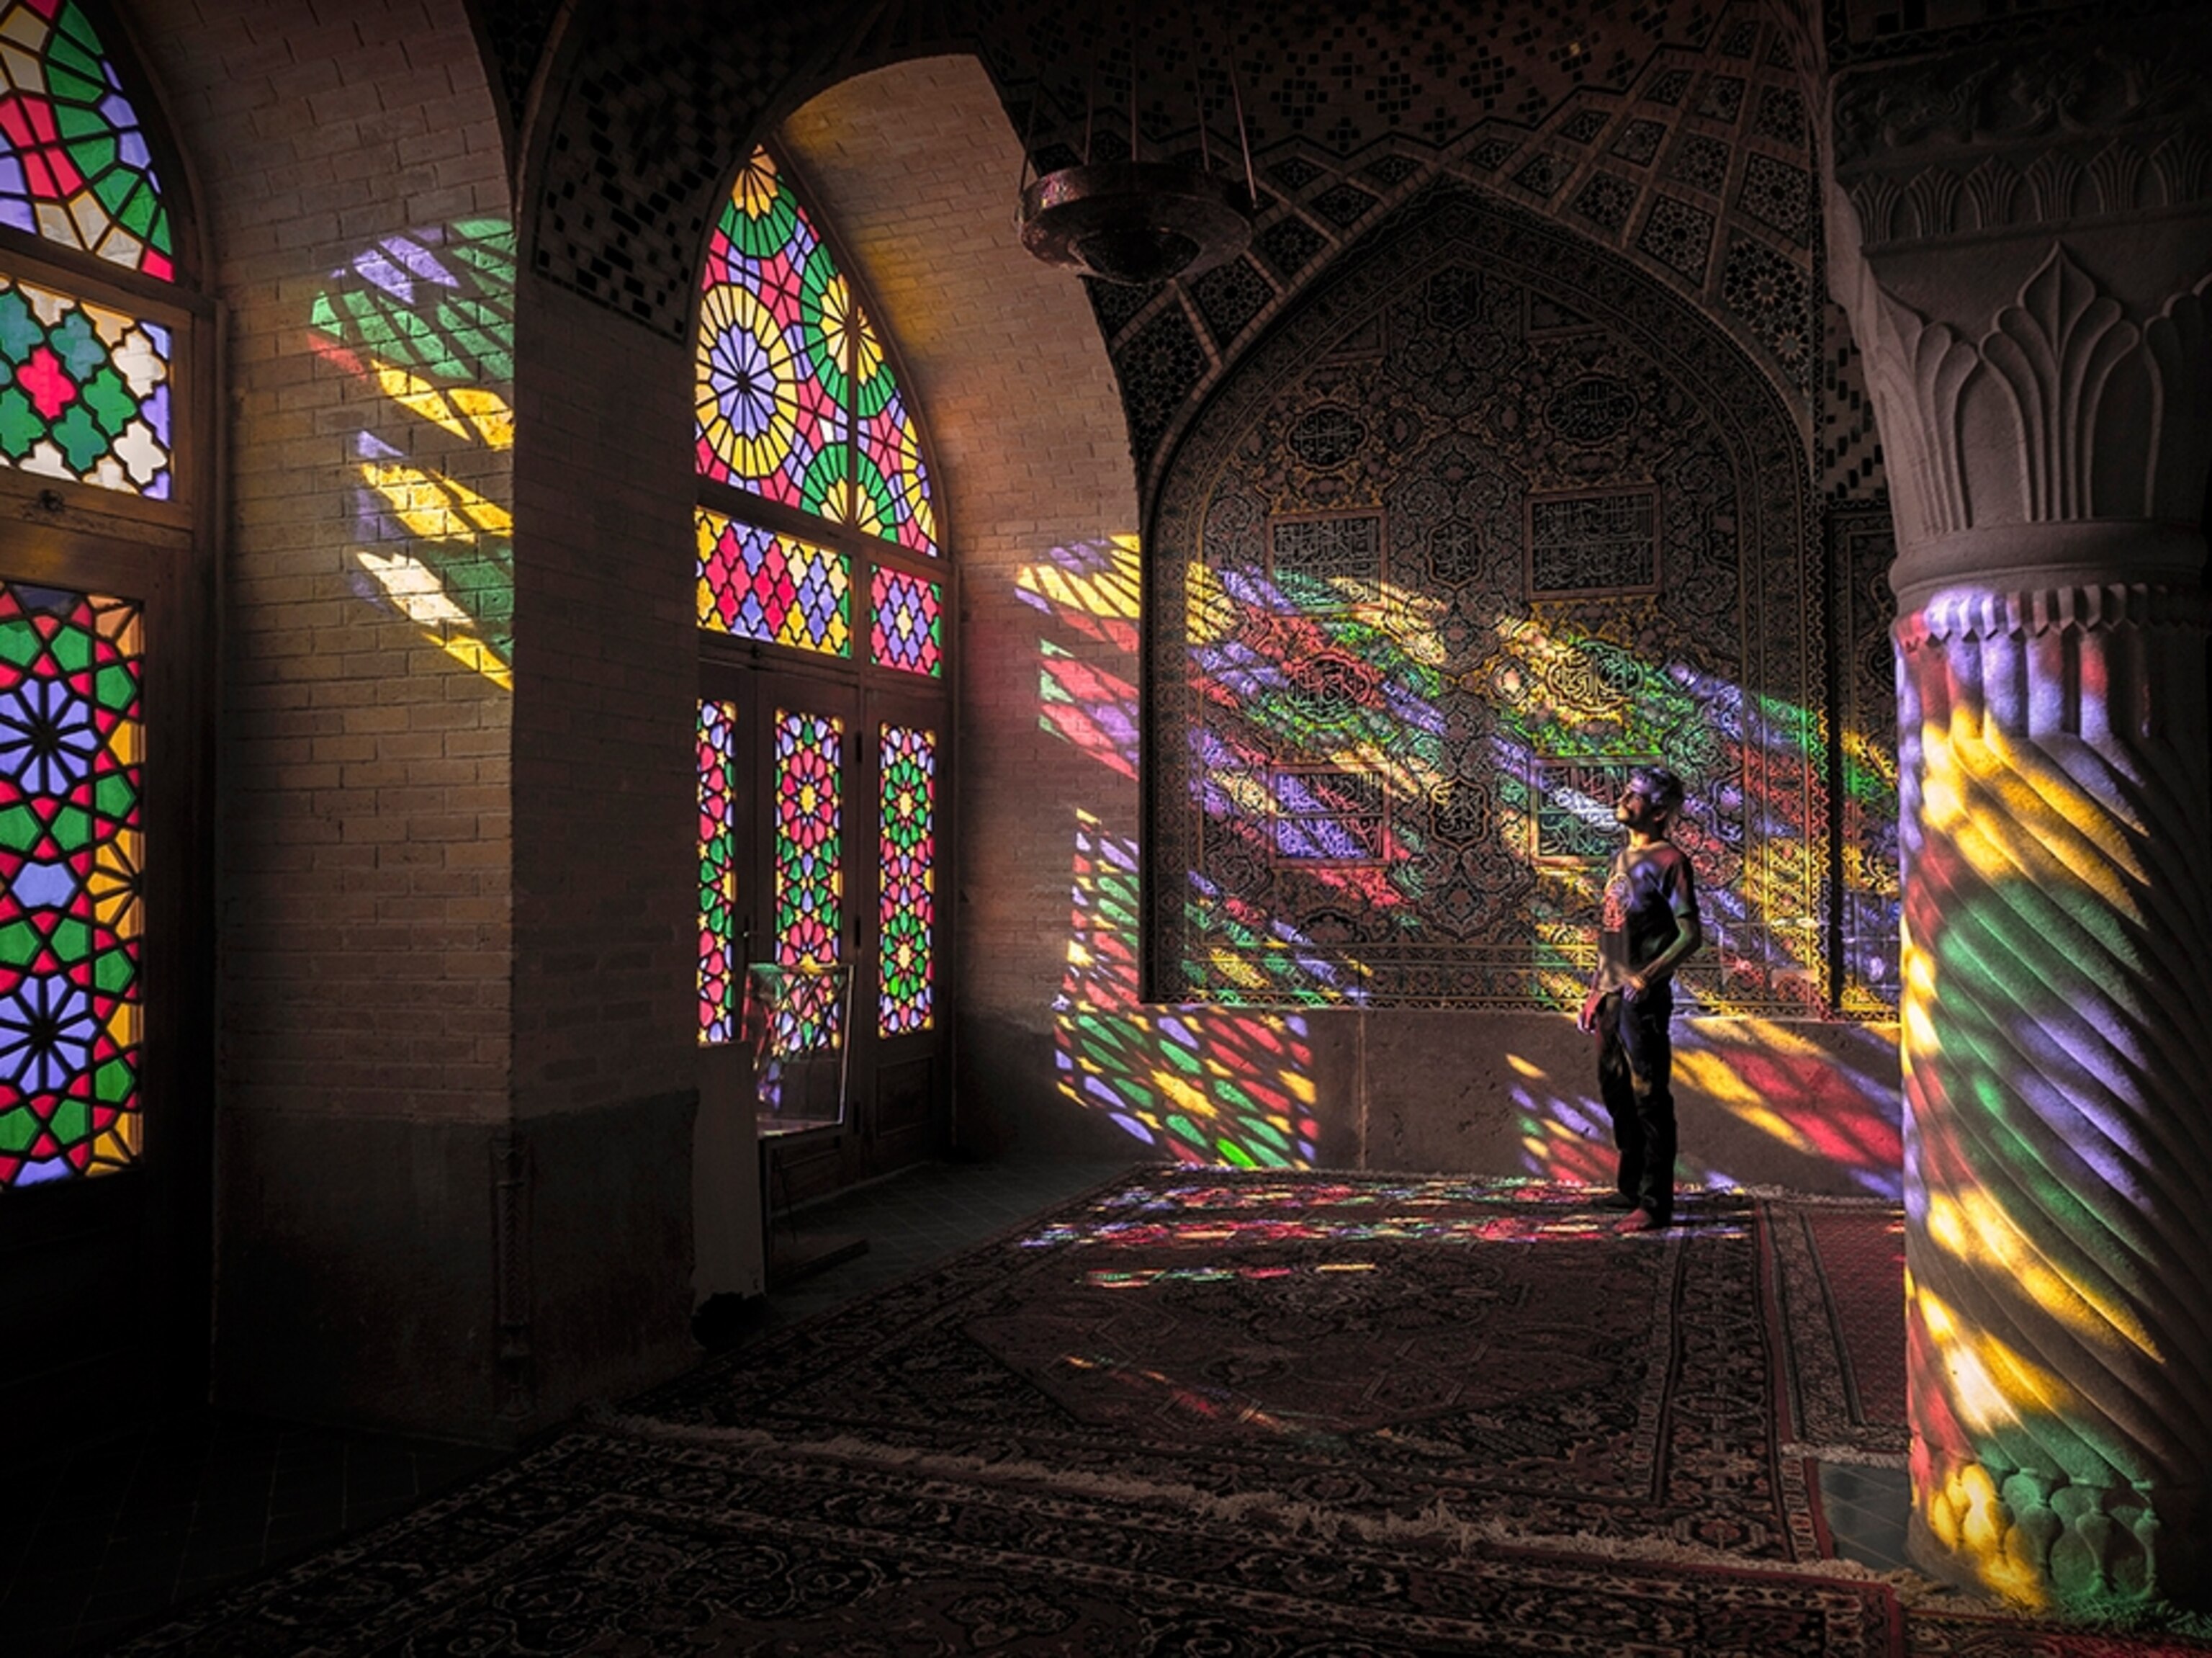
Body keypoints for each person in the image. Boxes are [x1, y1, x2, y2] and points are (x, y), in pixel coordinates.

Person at [1577, 766, 1702, 1233]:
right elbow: (1613, 930)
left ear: (1659, 811)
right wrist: (1595, 991)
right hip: (1611, 997)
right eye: (1627, 791)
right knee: (1616, 1093)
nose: (1625, 798)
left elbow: (1691, 935)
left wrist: (1648, 977)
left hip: (1641, 1002)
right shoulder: (1621, 860)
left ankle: (1654, 1204)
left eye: (1636, 795)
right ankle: (1630, 1188)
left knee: (1649, 1097)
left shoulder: (1671, 862)